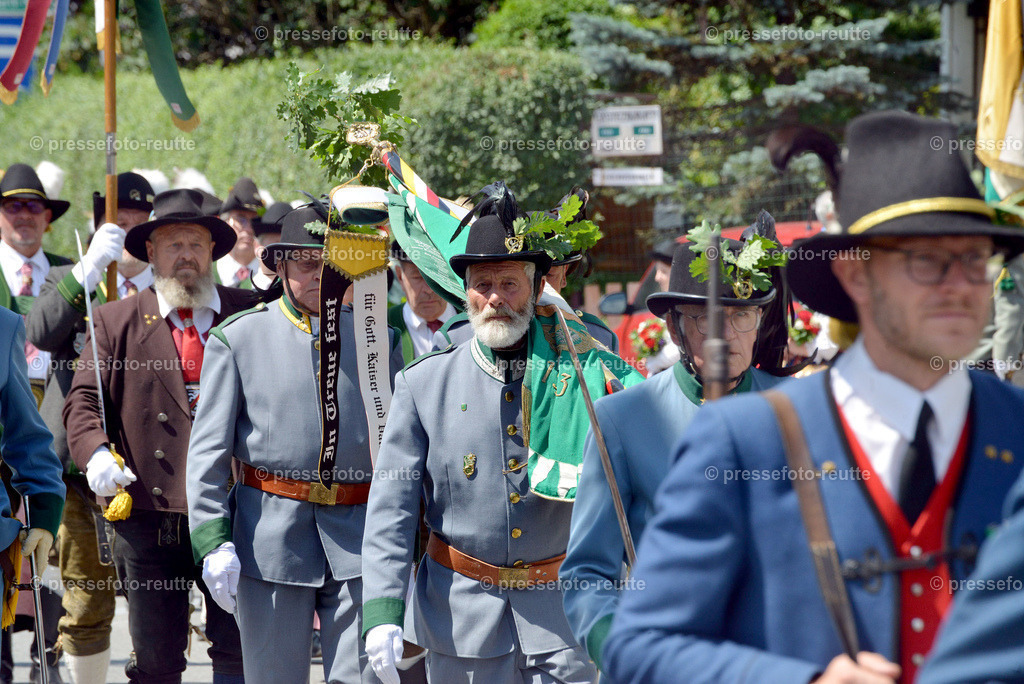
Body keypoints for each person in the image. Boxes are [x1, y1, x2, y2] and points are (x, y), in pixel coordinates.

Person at [602, 110, 1024, 684]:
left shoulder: (1015, 427)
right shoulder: (742, 443)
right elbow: (640, 649)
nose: (960, 285)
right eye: (928, 260)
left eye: (975, 258)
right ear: (856, 276)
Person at [361, 185, 602, 684]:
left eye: (510, 284)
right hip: (459, 620)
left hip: (563, 620)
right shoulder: (424, 383)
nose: (495, 297)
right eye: (482, 283)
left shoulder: (584, 371)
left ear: (537, 290)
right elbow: (392, 507)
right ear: (465, 290)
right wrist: (384, 610)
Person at [187, 202, 403, 683]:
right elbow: (206, 455)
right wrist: (213, 540)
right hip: (270, 540)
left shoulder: (378, 341)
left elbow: (398, 449)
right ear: (279, 264)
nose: (319, 274)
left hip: (359, 539)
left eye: (330, 263)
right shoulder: (238, 340)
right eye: (306, 262)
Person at [560, 227, 791, 671]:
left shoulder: (797, 409)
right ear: (675, 327)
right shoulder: (622, 419)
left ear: (759, 321)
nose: (728, 334)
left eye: (741, 316)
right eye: (708, 318)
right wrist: (621, 652)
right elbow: (587, 574)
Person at [63, 188, 255, 684]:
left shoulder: (250, 313)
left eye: (195, 243)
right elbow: (83, 403)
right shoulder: (114, 322)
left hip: (239, 511)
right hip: (150, 519)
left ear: (212, 250)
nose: (186, 255)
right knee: (154, 661)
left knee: (240, 652)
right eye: (173, 244)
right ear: (150, 252)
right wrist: (96, 454)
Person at [25, 171, 154, 684]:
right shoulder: (73, 278)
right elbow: (41, 329)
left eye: (135, 223)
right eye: (115, 222)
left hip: (149, 467)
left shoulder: (164, 287)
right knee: (84, 602)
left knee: (153, 603)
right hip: (83, 470)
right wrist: (88, 268)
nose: (125, 231)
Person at [0, 162, 73, 682]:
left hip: (51, 427)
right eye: (12, 205)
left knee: (49, 596)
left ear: (48, 217)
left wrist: (44, 513)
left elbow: (31, 443)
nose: (23, 216)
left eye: (33, 205)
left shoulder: (73, 273)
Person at [388, 242, 456, 364]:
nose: (429, 289)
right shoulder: (384, 326)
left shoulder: (473, 320)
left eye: (435, 277)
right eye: (418, 277)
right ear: (400, 276)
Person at [216, 177, 264, 288]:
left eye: (255, 221)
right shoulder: (209, 270)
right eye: (241, 220)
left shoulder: (270, 273)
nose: (249, 229)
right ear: (226, 222)